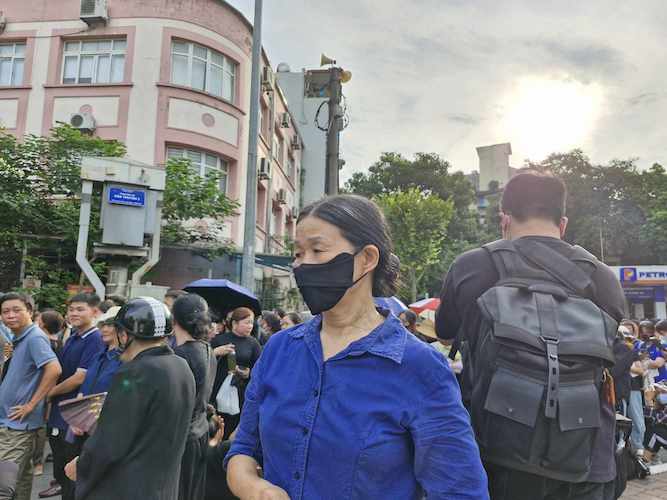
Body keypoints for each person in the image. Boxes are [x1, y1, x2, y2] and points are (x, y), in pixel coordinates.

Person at [226, 194, 488, 499]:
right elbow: (243, 449)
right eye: (297, 254)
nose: (302, 265)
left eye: (317, 250)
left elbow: (460, 490)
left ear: (366, 259)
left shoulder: (419, 367)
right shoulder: (279, 350)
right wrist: (254, 487)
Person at [436, 171, 625, 500]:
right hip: (586, 458)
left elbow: (445, 332)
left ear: (503, 219)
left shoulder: (472, 266)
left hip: (498, 457)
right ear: (562, 223)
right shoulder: (603, 278)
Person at [65, 296, 195, 500]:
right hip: (162, 488)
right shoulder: (181, 366)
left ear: (124, 335)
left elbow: (111, 441)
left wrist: (82, 465)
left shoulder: (136, 372)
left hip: (125, 488)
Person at [40, 293, 105, 500]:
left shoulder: (94, 339)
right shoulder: (73, 336)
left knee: (70, 475)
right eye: (71, 309)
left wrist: (48, 393)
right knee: (60, 468)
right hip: (59, 413)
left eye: (80, 309)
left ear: (94, 312)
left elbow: (79, 377)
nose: (74, 313)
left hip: (73, 417)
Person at [0, 292, 61, 500]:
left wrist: (31, 404)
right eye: (5, 311)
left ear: (30, 311)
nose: (10, 315)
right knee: (21, 479)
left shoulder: (34, 337)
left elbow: (54, 369)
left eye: (17, 310)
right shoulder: (18, 338)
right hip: (13, 422)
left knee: (3, 484)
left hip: (18, 424)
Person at [172, 294, 217, 500]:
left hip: (179, 439)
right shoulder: (208, 350)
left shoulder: (178, 356)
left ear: (174, 320)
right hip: (200, 433)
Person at [210, 307, 261, 439]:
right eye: (246, 322)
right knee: (216, 423)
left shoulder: (253, 343)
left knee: (233, 426)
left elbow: (259, 369)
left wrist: (247, 374)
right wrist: (217, 352)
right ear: (234, 323)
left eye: (252, 323)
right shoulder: (219, 340)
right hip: (218, 388)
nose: (250, 326)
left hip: (240, 391)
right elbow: (206, 360)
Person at [32, 310, 66, 477]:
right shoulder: (58, 342)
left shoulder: (44, 343)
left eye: (39, 318)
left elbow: (53, 371)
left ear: (43, 323)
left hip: (44, 390)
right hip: (49, 391)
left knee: (40, 428)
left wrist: (48, 394)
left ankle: (37, 463)